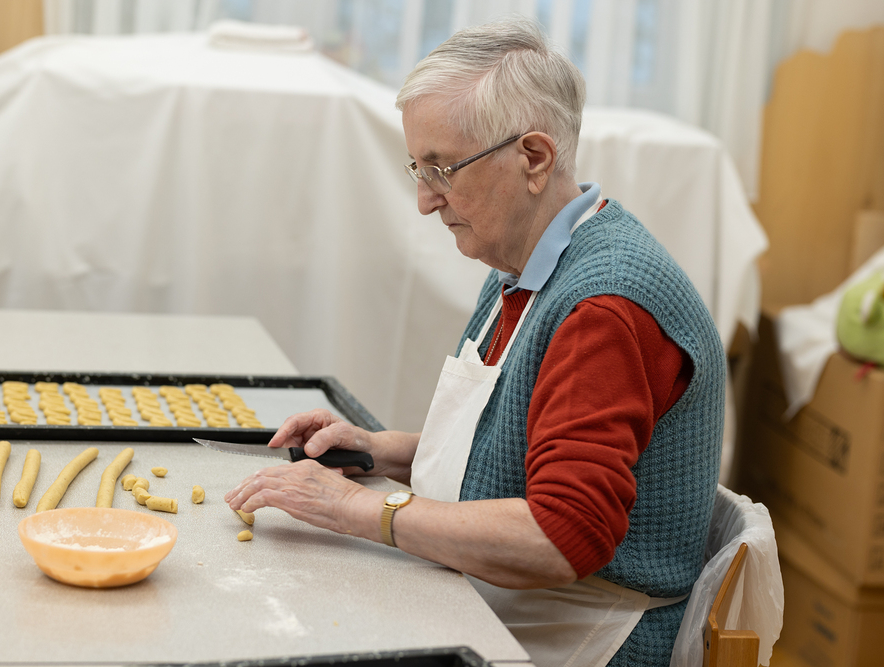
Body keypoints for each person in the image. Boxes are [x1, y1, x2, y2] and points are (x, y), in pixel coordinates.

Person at [225, 17, 725, 667]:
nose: (424, 201)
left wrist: (354, 509)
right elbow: (513, 445)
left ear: (534, 159)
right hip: (511, 604)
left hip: (581, 638)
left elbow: (561, 534)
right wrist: (379, 450)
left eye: (442, 169)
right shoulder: (524, 267)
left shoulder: (604, 309)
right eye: (418, 167)